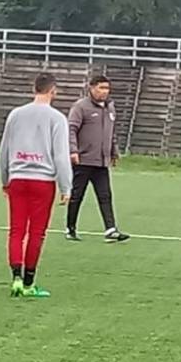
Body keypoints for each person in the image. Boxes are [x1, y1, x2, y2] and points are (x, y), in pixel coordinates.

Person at [0, 73, 72, 298]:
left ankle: (16, 278)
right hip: (43, 182)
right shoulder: (57, 118)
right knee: (36, 233)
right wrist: (65, 185)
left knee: (16, 230)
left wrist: (4, 178)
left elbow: (4, 150)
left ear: (34, 89)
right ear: (53, 91)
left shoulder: (16, 114)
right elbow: (61, 155)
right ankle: (30, 282)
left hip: (18, 179)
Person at [65, 75, 130, 242]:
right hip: (83, 160)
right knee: (77, 195)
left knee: (105, 195)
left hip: (101, 161)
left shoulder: (110, 108)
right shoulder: (80, 107)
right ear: (91, 88)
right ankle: (70, 228)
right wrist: (73, 150)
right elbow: (71, 129)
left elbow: (111, 133)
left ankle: (111, 229)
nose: (104, 92)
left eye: (107, 88)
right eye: (101, 88)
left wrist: (113, 152)